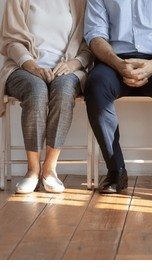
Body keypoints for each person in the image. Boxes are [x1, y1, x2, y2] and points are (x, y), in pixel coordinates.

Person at [84, 0, 152, 203]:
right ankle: (116, 170)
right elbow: (94, 35)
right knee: (95, 85)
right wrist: (118, 63)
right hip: (115, 62)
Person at [0, 0, 92, 194]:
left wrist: (74, 64)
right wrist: (32, 65)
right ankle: (32, 171)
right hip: (23, 68)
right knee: (36, 91)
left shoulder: (80, 2)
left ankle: (50, 170)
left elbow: (89, 43)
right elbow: (10, 40)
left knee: (64, 92)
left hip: (67, 70)